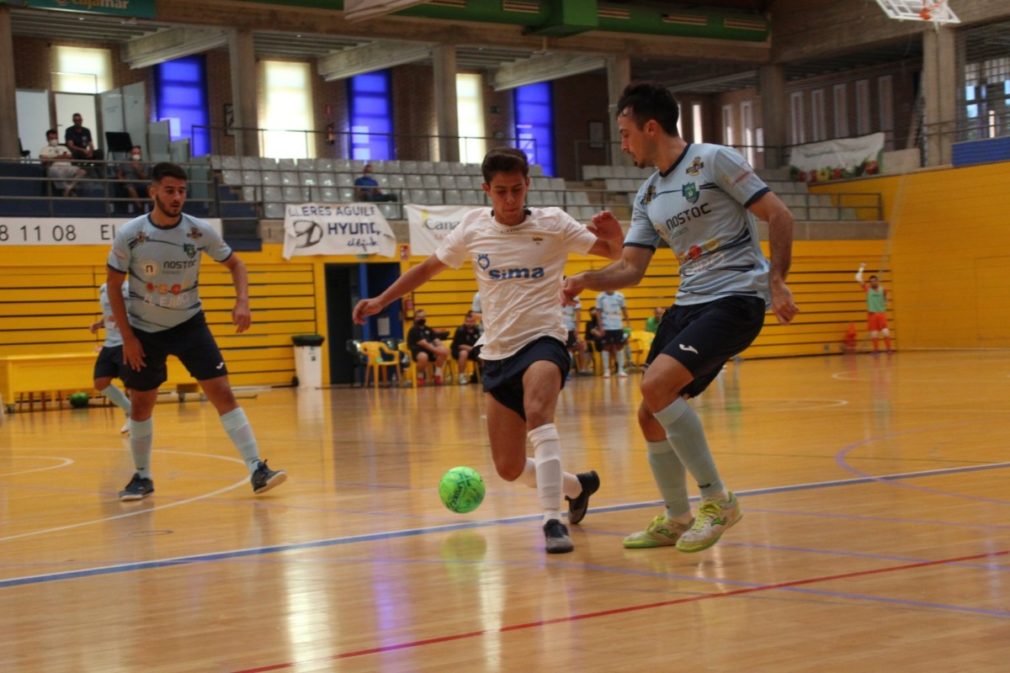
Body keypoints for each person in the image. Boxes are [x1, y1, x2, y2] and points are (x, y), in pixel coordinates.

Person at [562, 82, 799, 553]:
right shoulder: (648, 194)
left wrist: (776, 280)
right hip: (689, 303)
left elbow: (780, 215)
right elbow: (631, 268)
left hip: (736, 298)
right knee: (649, 415)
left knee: (656, 386)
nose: (623, 143)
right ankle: (676, 517)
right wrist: (585, 278)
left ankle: (718, 500)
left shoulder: (715, 160)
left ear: (651, 127)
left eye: (626, 133)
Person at [354, 147, 622, 553]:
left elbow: (612, 254)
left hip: (543, 340)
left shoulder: (553, 222)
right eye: (501, 192)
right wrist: (380, 301)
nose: (511, 200)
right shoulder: (472, 227)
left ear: (528, 184)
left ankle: (552, 521)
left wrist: (615, 237)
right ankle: (576, 487)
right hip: (497, 352)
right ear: (486, 190)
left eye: (517, 189)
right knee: (508, 468)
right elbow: (426, 270)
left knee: (538, 414)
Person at [105, 162, 287, 501]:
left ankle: (256, 469)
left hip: (189, 323)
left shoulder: (198, 231)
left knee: (223, 392)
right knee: (141, 404)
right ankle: (142, 476)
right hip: (144, 330)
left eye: (182, 191)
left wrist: (242, 301)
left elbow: (237, 264)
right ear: (153, 192)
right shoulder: (130, 234)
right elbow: (113, 286)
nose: (177, 197)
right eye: (170, 190)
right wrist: (127, 338)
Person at [89, 282, 132, 434]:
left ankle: (137, 417)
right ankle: (131, 411)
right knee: (100, 382)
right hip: (110, 343)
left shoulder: (131, 287)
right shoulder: (104, 288)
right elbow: (108, 312)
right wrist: (100, 323)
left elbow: (141, 311)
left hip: (126, 342)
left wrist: (124, 318)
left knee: (132, 383)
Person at [406, 308, 450, 385]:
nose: (421, 319)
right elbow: (424, 344)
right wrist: (437, 350)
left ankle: (437, 375)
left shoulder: (428, 329)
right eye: (419, 317)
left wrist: (442, 348)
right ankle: (420, 376)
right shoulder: (413, 330)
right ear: (415, 318)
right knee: (423, 356)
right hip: (417, 351)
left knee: (443, 351)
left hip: (430, 351)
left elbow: (436, 340)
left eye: (423, 317)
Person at [856, 263, 893, 353]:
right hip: (872, 314)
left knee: (885, 332)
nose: (873, 282)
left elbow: (886, 295)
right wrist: (861, 268)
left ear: (877, 281)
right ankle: (876, 350)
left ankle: (889, 349)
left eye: (875, 281)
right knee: (874, 333)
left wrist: (886, 301)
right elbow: (857, 278)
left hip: (881, 314)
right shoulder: (868, 289)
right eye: (871, 281)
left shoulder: (882, 289)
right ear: (870, 282)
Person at [39, 129, 85, 196]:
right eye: (52, 138)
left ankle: (69, 188)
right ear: (47, 139)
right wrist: (58, 157)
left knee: (82, 172)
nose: (54, 140)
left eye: (55, 138)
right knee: (55, 171)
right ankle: (67, 190)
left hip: (67, 167)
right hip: (55, 167)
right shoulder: (44, 149)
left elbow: (71, 157)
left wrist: (64, 157)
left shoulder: (63, 147)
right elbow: (43, 160)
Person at [596, 290, 629, 377]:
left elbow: (624, 309)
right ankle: (606, 370)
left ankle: (620, 369)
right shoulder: (600, 297)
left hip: (618, 325)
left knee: (619, 347)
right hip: (606, 326)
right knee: (606, 347)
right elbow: (598, 312)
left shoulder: (620, 296)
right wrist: (600, 327)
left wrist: (628, 323)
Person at [451, 310, 482, 384]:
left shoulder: (477, 330)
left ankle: (481, 375)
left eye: (471, 321)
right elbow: (461, 345)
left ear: (474, 321)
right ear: (465, 321)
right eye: (468, 321)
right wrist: (473, 348)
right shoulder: (460, 330)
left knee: (484, 354)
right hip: (458, 351)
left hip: (472, 350)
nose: (469, 323)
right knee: (464, 353)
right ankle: (461, 376)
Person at [561, 297, 589, 376]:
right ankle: (564, 370)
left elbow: (578, 313)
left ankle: (568, 370)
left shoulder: (575, 297)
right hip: (558, 326)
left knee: (570, 348)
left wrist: (577, 328)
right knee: (562, 348)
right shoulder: (556, 293)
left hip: (570, 327)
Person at [116, 145, 149, 212]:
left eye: (138, 153)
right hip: (129, 183)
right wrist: (122, 179)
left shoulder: (144, 163)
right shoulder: (124, 162)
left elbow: (145, 177)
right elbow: (119, 174)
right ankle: (140, 207)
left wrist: (137, 169)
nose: (136, 155)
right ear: (131, 154)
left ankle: (153, 206)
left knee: (150, 187)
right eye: (134, 153)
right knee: (130, 187)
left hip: (140, 183)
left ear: (140, 154)